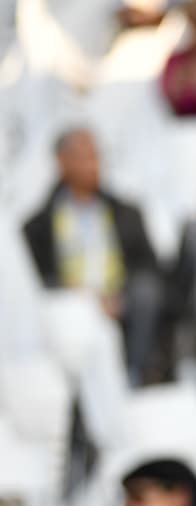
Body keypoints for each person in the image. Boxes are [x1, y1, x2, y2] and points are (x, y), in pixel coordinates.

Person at [21, 127, 163, 385]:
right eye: (83, 157)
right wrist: (79, 295)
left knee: (146, 292)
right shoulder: (38, 227)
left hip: (120, 297)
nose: (93, 164)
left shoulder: (125, 213)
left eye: (95, 155)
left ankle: (135, 377)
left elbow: (149, 266)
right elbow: (35, 280)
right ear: (62, 162)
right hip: (70, 301)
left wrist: (116, 296)